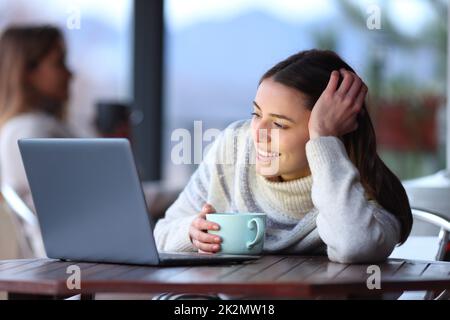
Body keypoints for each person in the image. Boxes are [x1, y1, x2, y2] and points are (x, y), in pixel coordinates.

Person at [154, 49, 412, 264]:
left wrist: (323, 139)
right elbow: (161, 233)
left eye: (279, 124)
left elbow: (355, 246)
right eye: (256, 114)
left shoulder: (365, 197)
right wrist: (191, 233)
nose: (258, 134)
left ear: (335, 130)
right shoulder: (233, 146)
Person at [0, 25, 74, 209]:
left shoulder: (25, 128)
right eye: (59, 63)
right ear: (27, 72)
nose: (71, 74)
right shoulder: (31, 131)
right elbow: (92, 199)